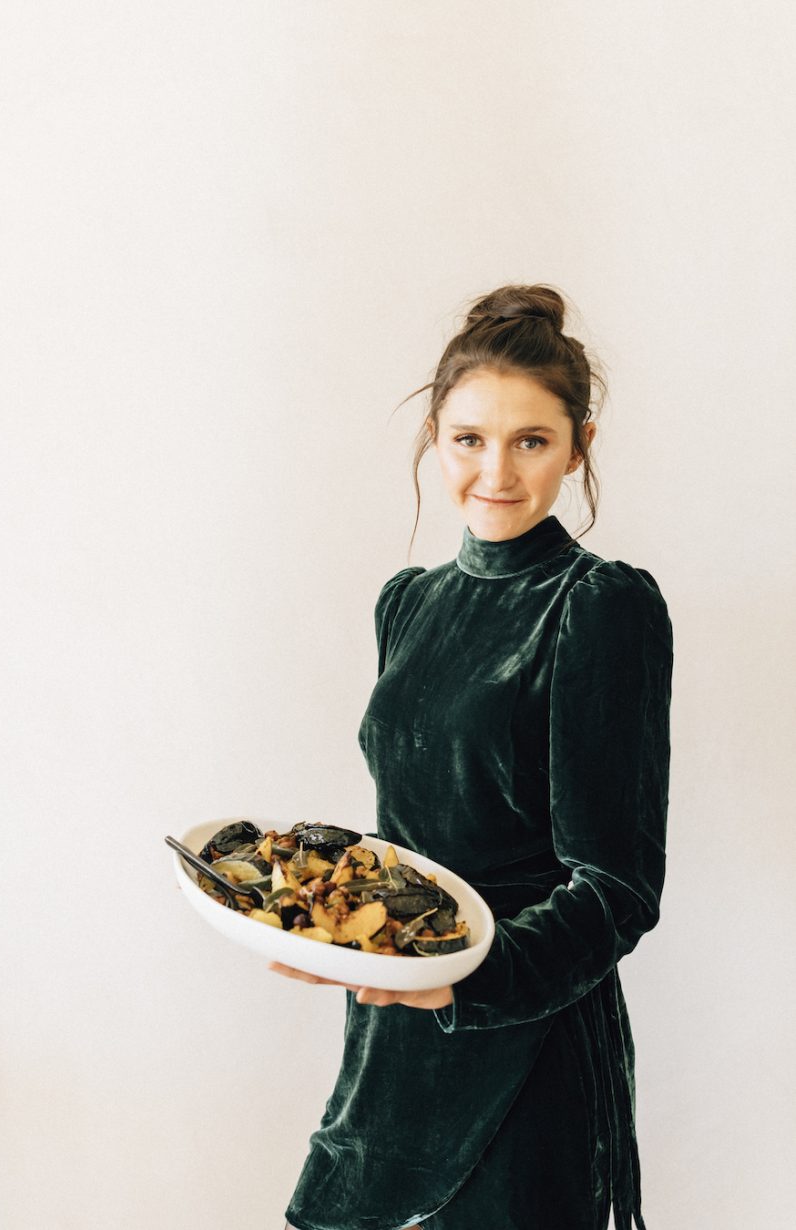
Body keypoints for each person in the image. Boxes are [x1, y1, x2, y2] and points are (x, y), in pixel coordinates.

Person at [269, 283, 674, 1230]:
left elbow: (617, 885)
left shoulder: (599, 606)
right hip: (392, 1039)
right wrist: (331, 926)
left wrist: (466, 979)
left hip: (525, 1043)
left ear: (579, 447)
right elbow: (409, 837)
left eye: (530, 440)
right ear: (434, 441)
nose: (496, 470)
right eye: (469, 439)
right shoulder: (406, 601)